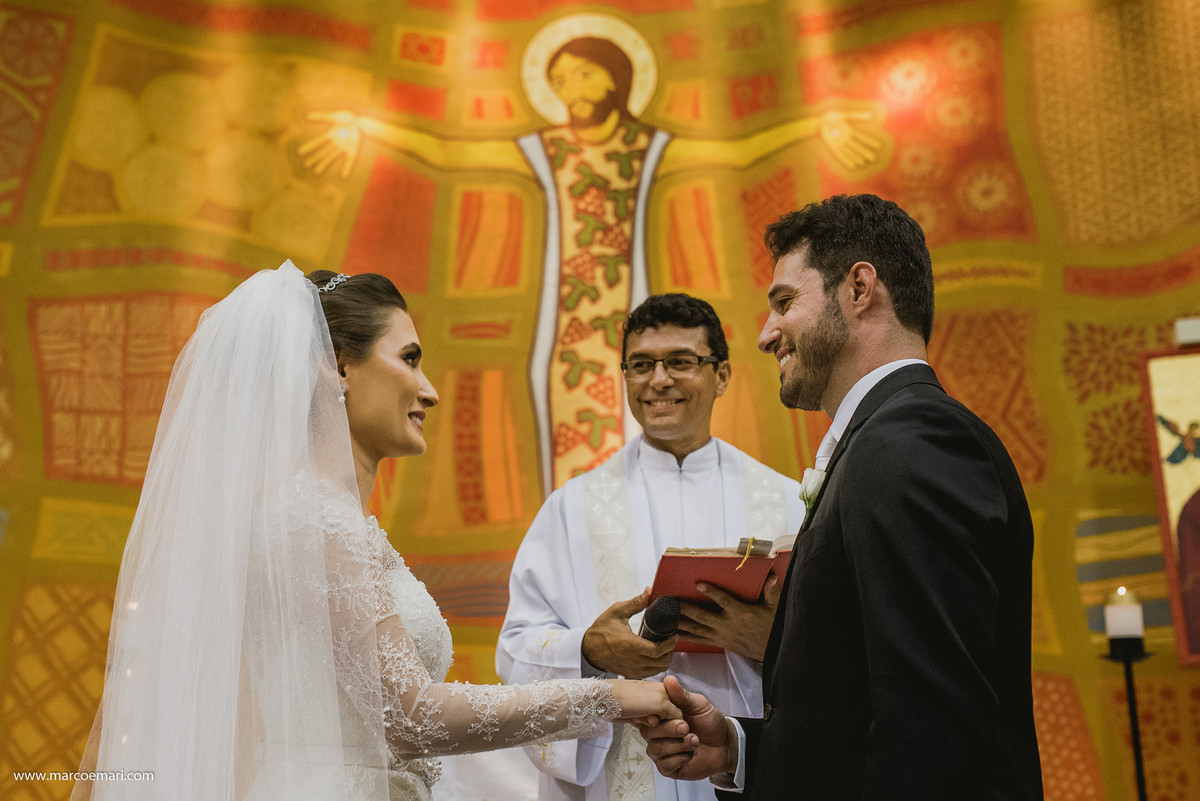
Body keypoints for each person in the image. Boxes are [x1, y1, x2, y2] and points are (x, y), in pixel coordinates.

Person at [70, 262, 681, 801]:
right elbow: (411, 715)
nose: (430, 390)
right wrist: (613, 700)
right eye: (409, 359)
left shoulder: (319, 517)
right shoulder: (313, 520)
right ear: (339, 367)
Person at [297, 17, 889, 494]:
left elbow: (741, 151)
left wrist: (815, 122)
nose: (565, 90)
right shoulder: (546, 148)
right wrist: (370, 130)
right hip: (567, 332)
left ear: (611, 80)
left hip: (622, 290)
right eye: (556, 81)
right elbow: (450, 155)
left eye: (577, 76)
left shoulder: (648, 145)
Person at [636, 194, 1044, 799]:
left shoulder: (913, 445)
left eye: (784, 302)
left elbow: (934, 730)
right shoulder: (881, 442)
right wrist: (740, 749)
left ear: (858, 289)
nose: (766, 333)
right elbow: (863, 707)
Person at [496, 293, 807, 801]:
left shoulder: (785, 502)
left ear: (722, 375)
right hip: (617, 774)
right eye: (641, 365)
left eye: (681, 362)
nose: (658, 380)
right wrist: (589, 652)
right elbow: (516, 650)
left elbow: (841, 646)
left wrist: (772, 642)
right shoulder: (571, 508)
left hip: (747, 770)